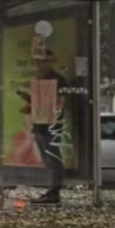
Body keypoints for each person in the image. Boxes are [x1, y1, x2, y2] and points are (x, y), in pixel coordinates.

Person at [21, 51, 69, 205]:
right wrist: (30, 104)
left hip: (51, 125)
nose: (41, 64)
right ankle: (51, 191)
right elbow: (34, 105)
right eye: (39, 61)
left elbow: (60, 103)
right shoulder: (38, 79)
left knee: (53, 157)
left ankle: (54, 192)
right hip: (39, 124)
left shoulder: (59, 80)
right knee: (47, 158)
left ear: (51, 61)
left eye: (45, 61)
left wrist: (40, 106)